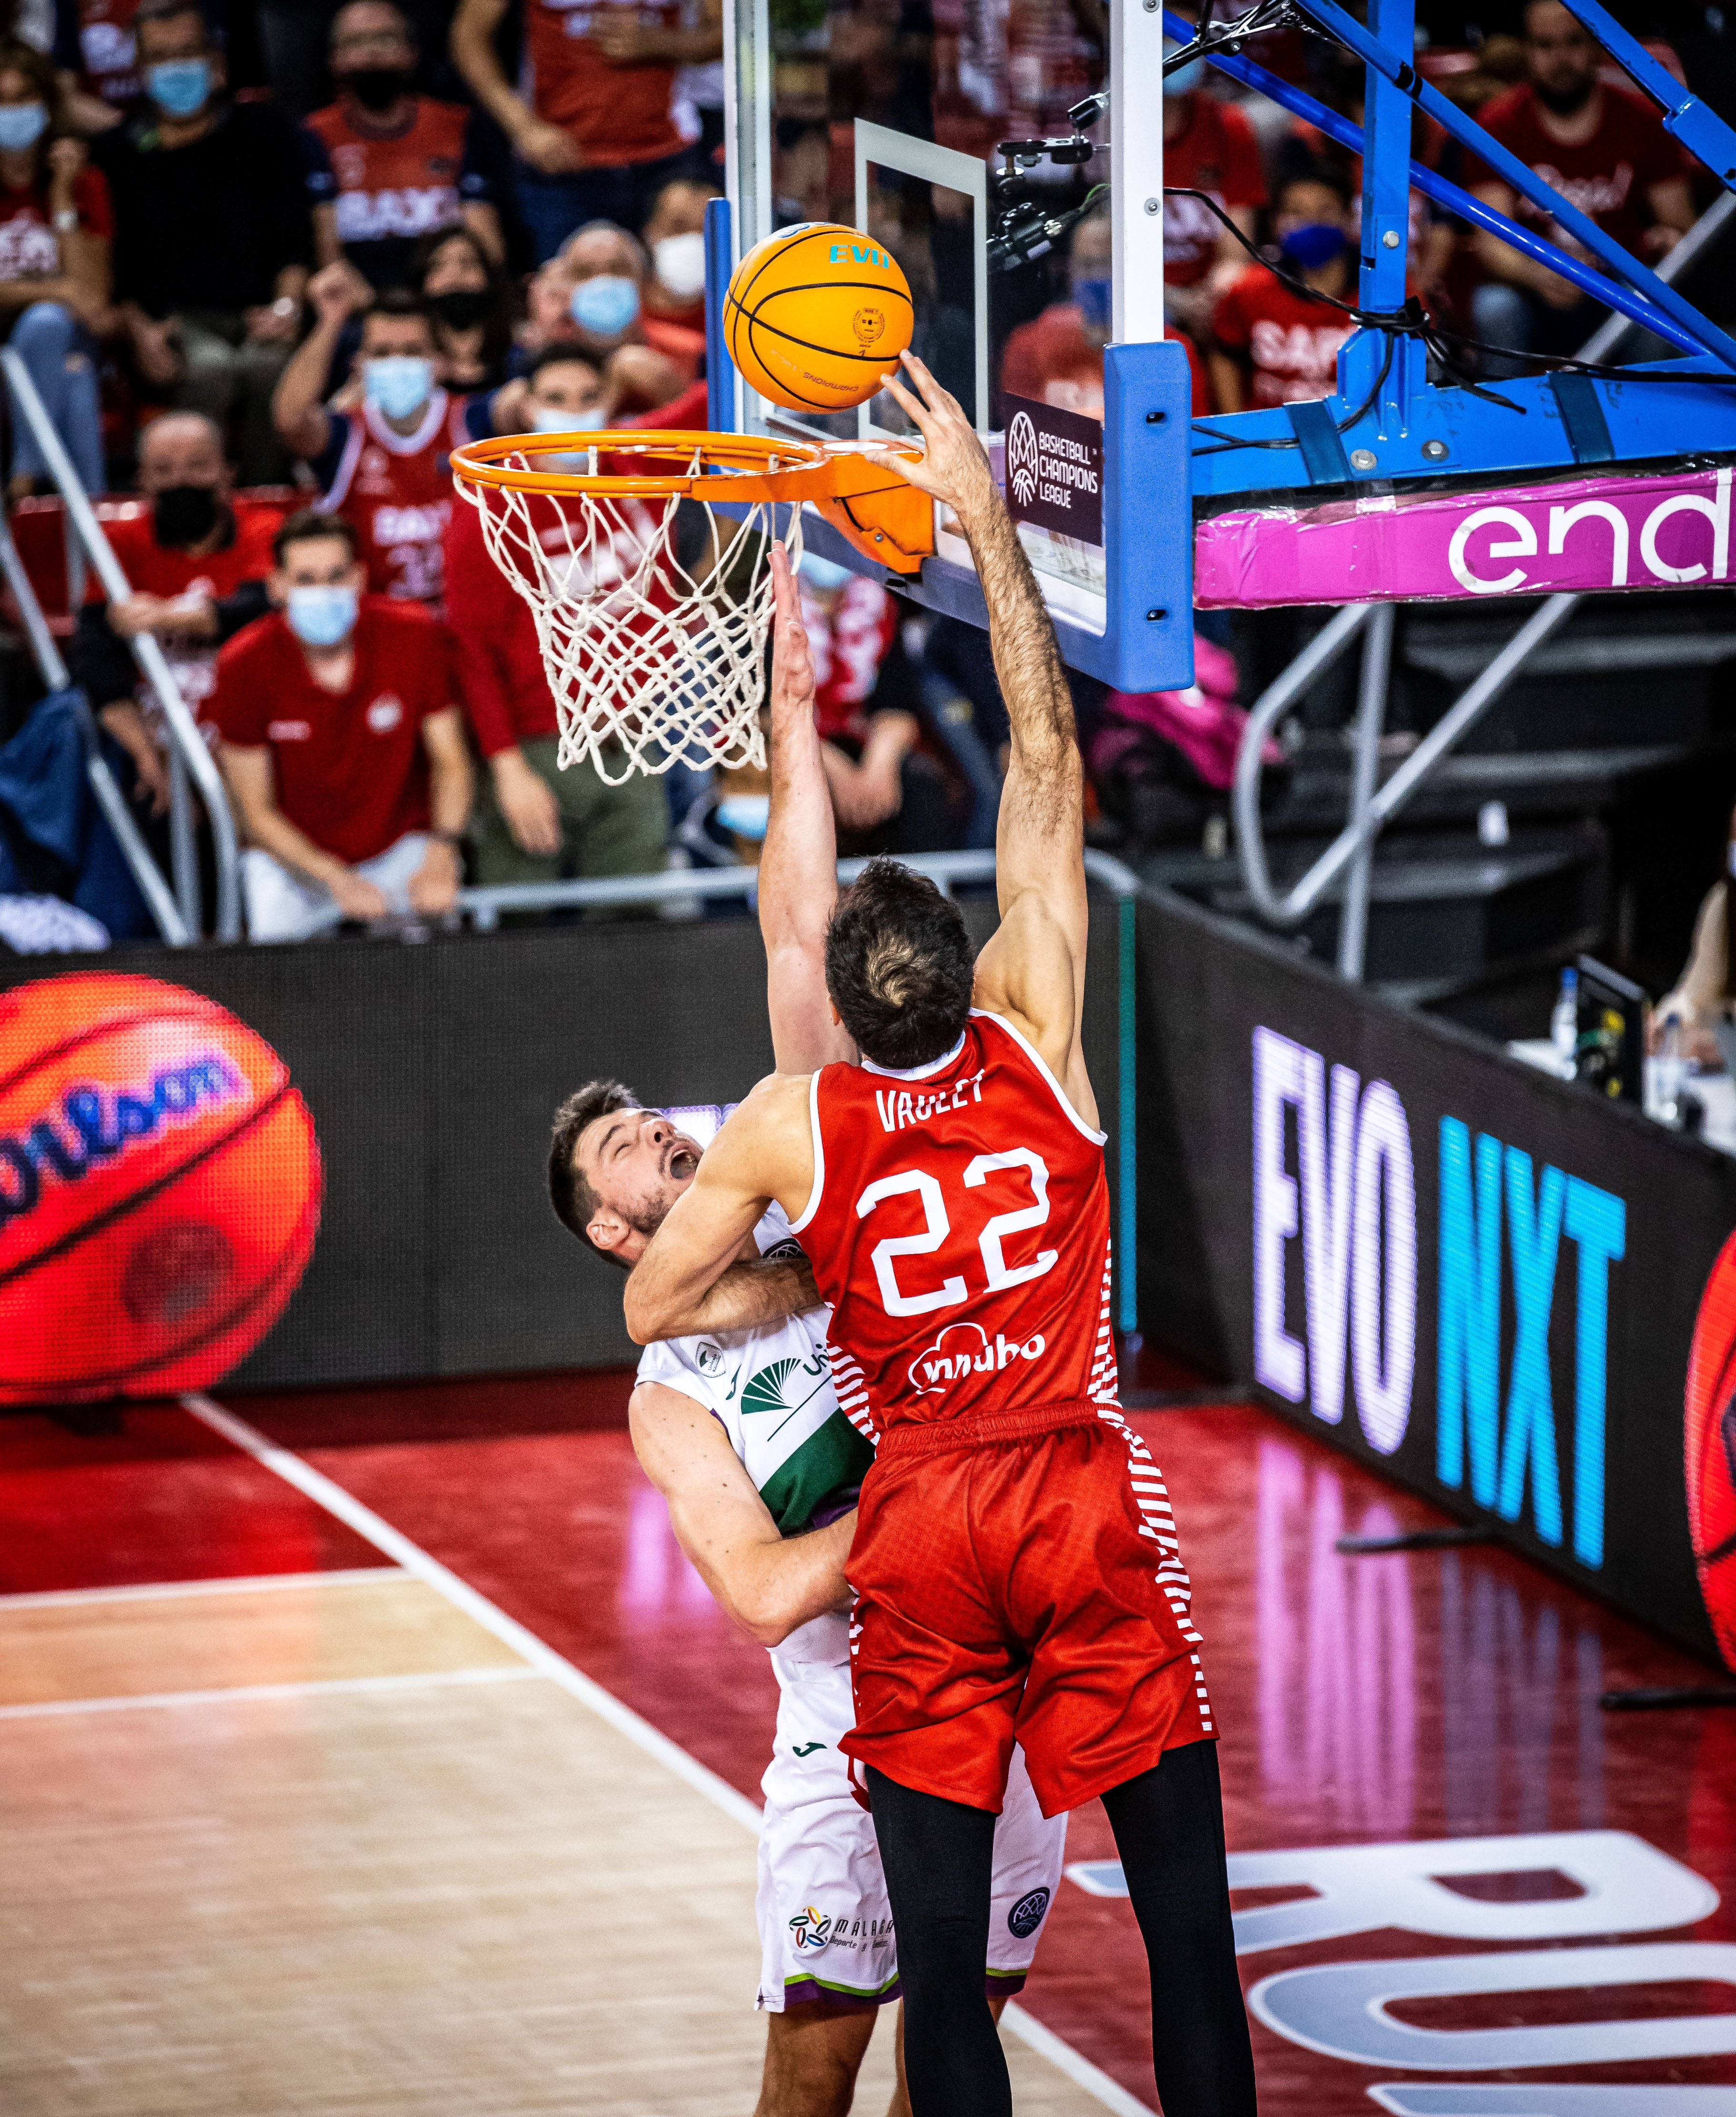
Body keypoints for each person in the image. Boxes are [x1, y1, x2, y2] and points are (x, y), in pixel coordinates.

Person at [623, 353, 1256, 2117]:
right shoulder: (1034, 1038)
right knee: (1185, 1952)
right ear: (963, 979)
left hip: (920, 1522)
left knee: (946, 1991)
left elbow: (659, 1291)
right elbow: (1044, 764)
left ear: (838, 1004)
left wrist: (801, 1263)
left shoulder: (793, 1127)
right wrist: (985, 526)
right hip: (1071, 1480)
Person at [444, 343, 670, 891]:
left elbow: (712, 408)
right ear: (527, 407)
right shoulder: (492, 503)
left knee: (635, 929)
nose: (574, 412)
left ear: (610, 399)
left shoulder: (636, 465)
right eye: (556, 398)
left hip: (639, 738)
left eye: (589, 397)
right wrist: (507, 768)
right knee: (524, 940)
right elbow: (470, 649)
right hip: (540, 748)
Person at [209, 508, 471, 941]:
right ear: (277, 587)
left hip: (399, 842)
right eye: (306, 580)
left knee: (436, 940)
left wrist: (444, 849)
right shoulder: (242, 664)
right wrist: (334, 877)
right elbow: (255, 811)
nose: (323, 591)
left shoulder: (413, 634)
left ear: (359, 578)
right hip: (293, 857)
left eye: (336, 576)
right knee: (276, 946)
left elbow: (451, 761)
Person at [96, 0, 312, 485]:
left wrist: (288, 307)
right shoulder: (118, 153)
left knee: (269, 365)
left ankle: (265, 495)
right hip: (175, 322)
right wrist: (138, 330)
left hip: (258, 311)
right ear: (141, 69)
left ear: (216, 61)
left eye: (188, 52)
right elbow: (112, 266)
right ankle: (195, 500)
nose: (177, 68)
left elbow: (294, 242)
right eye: (162, 57)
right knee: (212, 370)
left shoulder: (264, 132)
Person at [69, 408, 279, 812]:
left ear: (227, 475)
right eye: (164, 471)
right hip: (154, 726)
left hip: (247, 727)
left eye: (198, 467)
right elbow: (95, 656)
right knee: (72, 727)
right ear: (142, 482)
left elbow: (263, 611)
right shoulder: (120, 544)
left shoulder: (261, 530)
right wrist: (145, 753)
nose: (181, 482)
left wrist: (166, 615)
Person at [1468, 0, 1694, 363]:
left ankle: (1644, 416)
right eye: (1545, 44)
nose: (1561, 59)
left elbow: (1680, 225)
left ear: (1595, 47)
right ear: (1527, 51)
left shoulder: (1641, 120)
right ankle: (1510, 416)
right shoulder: (1496, 125)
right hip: (1532, 284)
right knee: (1494, 309)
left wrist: (1666, 241)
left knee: (1660, 310)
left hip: (1620, 282)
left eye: (1573, 41)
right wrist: (1541, 274)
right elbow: (1492, 244)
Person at [450, 0, 720, 262]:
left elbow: (728, 31)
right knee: (564, 299)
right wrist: (524, 127)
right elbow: (469, 35)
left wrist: (659, 41)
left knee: (685, 286)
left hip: (668, 155)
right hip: (563, 166)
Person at [274, 269, 469, 613]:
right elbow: (290, 418)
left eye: (412, 351)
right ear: (360, 365)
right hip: (381, 629)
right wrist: (332, 321)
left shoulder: (472, 421)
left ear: (439, 363)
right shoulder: (346, 435)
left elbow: (521, 405)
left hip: (461, 621)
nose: (397, 363)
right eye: (382, 352)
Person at [303, 0, 503, 293]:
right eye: (356, 42)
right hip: (358, 301)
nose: (372, 52)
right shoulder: (314, 134)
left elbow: (485, 240)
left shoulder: (458, 125)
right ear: (335, 59)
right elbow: (327, 249)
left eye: (385, 39)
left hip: (445, 293)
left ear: (412, 54)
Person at [0, 39, 108, 499]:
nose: (12, 111)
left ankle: (26, 475)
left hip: (66, 334)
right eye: (1, 101)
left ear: (47, 103)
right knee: (73, 375)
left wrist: (63, 199)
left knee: (56, 338)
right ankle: (92, 533)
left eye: (24, 97)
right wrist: (58, 288)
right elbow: (74, 291)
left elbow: (93, 296)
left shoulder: (86, 181)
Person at [998, 205, 1210, 423]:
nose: (1096, 276)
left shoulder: (1168, 349)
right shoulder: (1029, 343)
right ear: (1070, 273)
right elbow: (1020, 432)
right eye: (1086, 265)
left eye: (1108, 265)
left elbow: (1187, 433)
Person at [1158, 3, 1266, 346]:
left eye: (1191, 39)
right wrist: (1169, 302)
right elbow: (1101, 243)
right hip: (1141, 296)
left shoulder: (1228, 126)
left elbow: (1236, 254)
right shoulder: (1111, 125)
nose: (1181, 51)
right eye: (1168, 37)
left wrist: (1205, 299)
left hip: (1208, 298)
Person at [1210, 164, 1357, 413]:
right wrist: (1238, 428)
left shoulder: (1386, 295)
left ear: (1349, 217)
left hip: (1358, 434)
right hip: (1271, 436)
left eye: (1326, 210)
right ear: (1276, 222)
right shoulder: (1249, 289)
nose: (1312, 222)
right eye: (1296, 212)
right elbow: (1225, 356)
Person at [1652, 811, 1736, 1063]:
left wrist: (1723, 1045)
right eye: (1735, 835)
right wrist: (1666, 1023)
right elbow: (1693, 995)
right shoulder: (1725, 905)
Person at [414, 223, 513, 392]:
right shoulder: (412, 362)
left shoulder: (516, 353)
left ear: (488, 277)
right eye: (438, 266)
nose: (454, 276)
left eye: (468, 264)